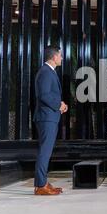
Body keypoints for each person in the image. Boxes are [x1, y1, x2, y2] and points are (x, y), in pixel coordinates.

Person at [33, 46, 67, 195]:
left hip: (49, 116)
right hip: (46, 117)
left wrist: (60, 104)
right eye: (60, 55)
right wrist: (59, 104)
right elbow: (44, 95)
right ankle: (40, 185)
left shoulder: (49, 72)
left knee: (46, 151)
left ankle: (43, 182)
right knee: (44, 152)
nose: (61, 58)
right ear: (54, 57)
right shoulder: (46, 72)